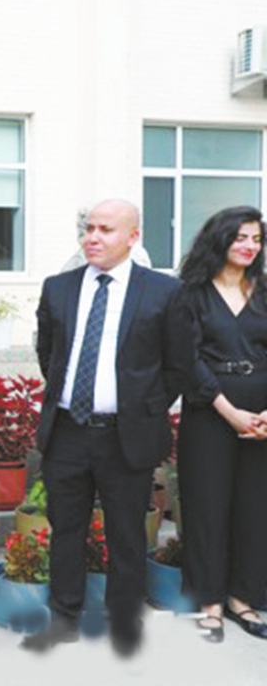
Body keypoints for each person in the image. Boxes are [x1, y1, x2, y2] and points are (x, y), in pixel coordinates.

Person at [24, 198, 185, 657]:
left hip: (126, 435)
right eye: (88, 228)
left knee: (127, 534)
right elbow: (49, 354)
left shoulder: (162, 292)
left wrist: (144, 408)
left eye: (106, 230)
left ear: (133, 236)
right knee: (66, 530)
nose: (92, 237)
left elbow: (177, 364)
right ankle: (63, 620)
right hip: (68, 431)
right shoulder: (59, 288)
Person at [169, 205, 267, 643]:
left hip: (262, 411)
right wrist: (229, 411)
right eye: (241, 237)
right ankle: (209, 601)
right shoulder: (191, 292)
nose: (249, 246)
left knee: (255, 508)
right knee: (207, 506)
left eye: (257, 239)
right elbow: (186, 360)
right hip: (210, 409)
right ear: (221, 239)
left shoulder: (264, 289)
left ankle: (243, 598)